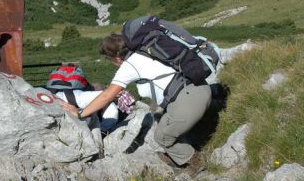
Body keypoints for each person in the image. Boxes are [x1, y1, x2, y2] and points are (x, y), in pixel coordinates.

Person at [60, 34, 211, 168]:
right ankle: (183, 153)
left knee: (161, 136)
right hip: (199, 87)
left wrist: (80, 113)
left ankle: (195, 164)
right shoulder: (145, 51)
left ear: (116, 57)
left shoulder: (129, 66)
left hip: (189, 98)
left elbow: (107, 96)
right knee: (164, 122)